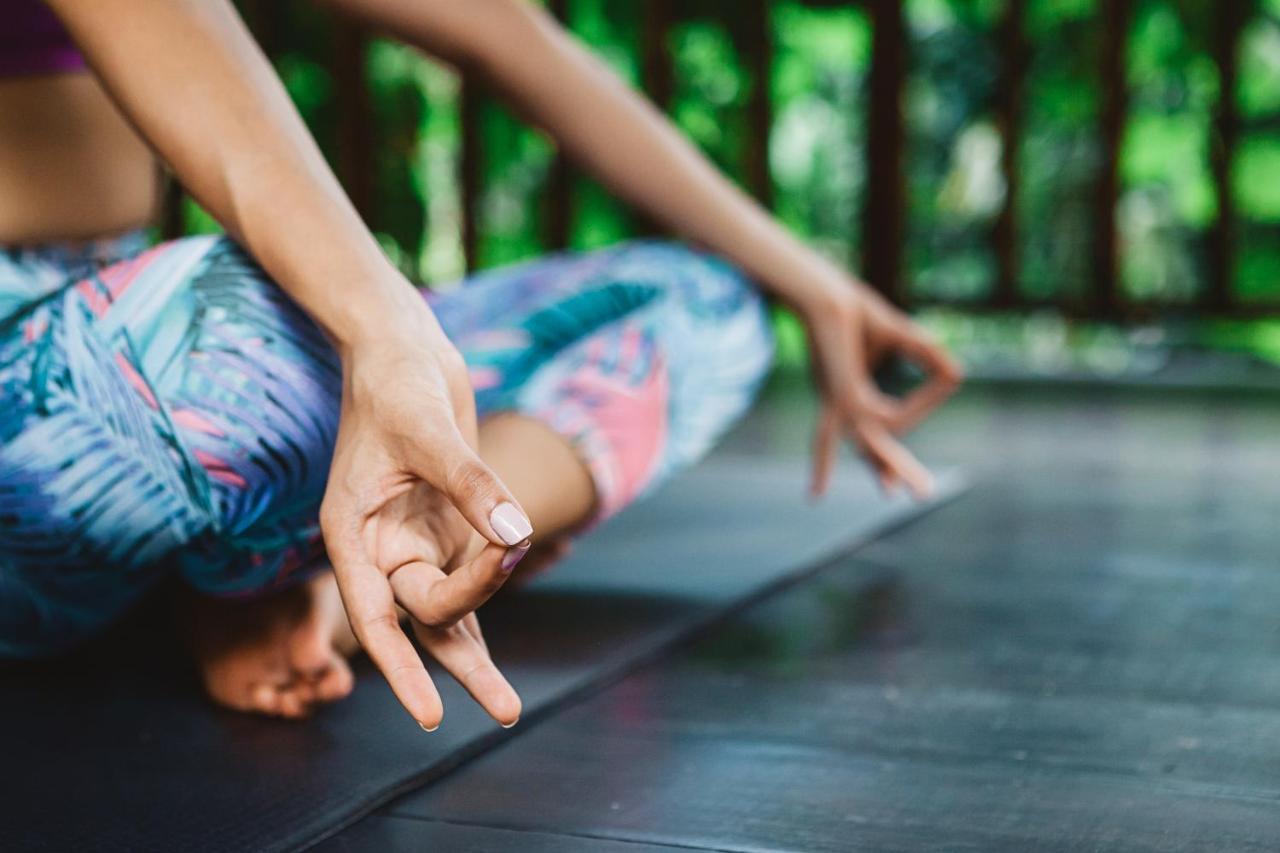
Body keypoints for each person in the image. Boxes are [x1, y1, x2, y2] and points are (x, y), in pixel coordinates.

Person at [0, 0, 961, 726]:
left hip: (115, 317)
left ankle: (345, 587)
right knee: (241, 328)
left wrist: (817, 288)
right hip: (83, 375)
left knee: (707, 301)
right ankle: (281, 561)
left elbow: (507, 30)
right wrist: (382, 331)